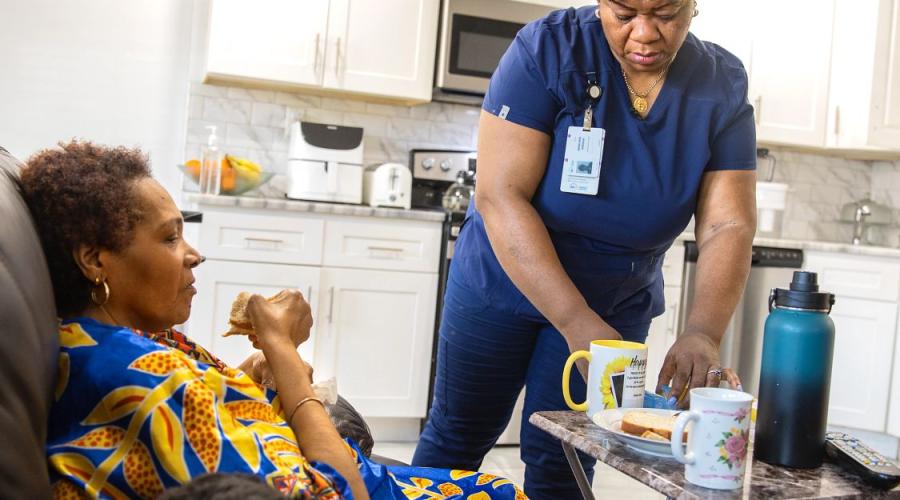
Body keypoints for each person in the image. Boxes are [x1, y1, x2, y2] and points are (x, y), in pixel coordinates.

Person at [22, 140, 527, 499]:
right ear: (94, 260)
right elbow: (343, 491)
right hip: (351, 483)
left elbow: (202, 424)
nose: (193, 254)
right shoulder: (141, 377)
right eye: (170, 237)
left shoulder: (108, 341)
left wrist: (247, 375)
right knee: (499, 491)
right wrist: (282, 348)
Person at [412, 1, 756, 498]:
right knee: (458, 435)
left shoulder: (720, 83)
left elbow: (728, 222)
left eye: (665, 13)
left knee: (567, 455)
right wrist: (575, 320)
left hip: (615, 298)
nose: (644, 33)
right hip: (503, 279)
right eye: (624, 13)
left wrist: (703, 331)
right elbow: (500, 196)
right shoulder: (548, 48)